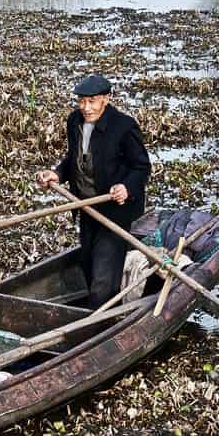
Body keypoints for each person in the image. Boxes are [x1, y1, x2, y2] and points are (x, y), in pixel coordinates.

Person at [35, 74, 151, 309]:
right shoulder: (74, 122)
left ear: (106, 100)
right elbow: (75, 160)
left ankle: (101, 324)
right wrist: (57, 173)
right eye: (82, 101)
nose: (86, 108)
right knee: (87, 266)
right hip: (86, 207)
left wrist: (126, 188)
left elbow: (141, 167)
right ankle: (99, 310)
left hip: (114, 212)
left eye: (93, 102)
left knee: (103, 280)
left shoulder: (124, 127)